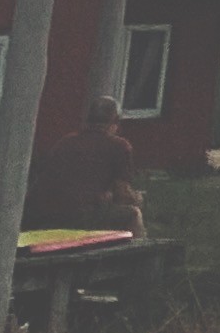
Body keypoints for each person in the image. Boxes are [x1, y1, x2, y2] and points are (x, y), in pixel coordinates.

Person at [28, 96, 144, 235]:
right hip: (79, 216)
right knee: (133, 214)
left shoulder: (66, 141)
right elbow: (123, 195)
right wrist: (137, 198)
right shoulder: (119, 145)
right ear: (115, 123)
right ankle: (139, 255)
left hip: (43, 215)